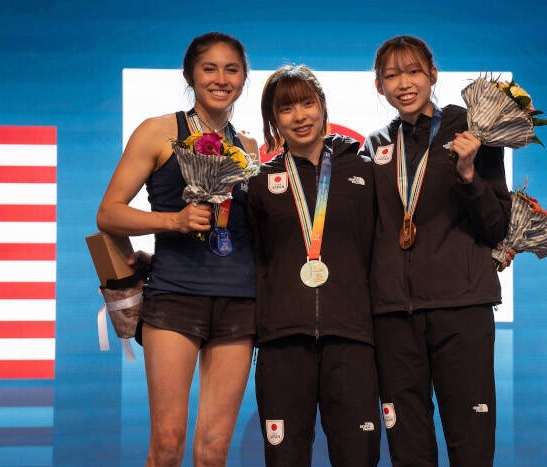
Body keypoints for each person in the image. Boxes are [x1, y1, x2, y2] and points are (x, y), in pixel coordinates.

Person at [97, 32, 258, 467]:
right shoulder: (158, 131)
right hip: (175, 296)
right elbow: (108, 213)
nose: (221, 79)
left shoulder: (249, 147)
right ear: (190, 75)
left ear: (243, 78)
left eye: (232, 70)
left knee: (214, 450)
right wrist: (174, 221)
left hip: (239, 301)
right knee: (167, 445)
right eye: (210, 69)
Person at [359, 35, 512, 466]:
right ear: (379, 85)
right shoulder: (375, 145)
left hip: (460, 307)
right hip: (394, 315)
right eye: (392, 75)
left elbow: (496, 226)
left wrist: (468, 174)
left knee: (471, 447)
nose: (404, 83)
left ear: (433, 74)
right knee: (408, 450)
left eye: (413, 71)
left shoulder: (473, 129)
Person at [247, 65, 380, 466]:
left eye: (307, 103)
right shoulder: (259, 183)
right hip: (283, 342)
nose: (300, 116)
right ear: (273, 119)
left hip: (352, 338)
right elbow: (250, 259)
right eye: (286, 108)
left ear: (322, 106)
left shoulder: (365, 171)